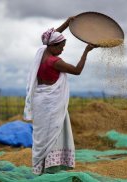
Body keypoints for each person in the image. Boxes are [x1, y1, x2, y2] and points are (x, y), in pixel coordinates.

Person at [24, 17, 95, 175]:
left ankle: (41, 167)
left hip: (40, 100)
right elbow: (77, 71)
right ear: (54, 46)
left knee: (43, 135)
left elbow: (51, 36)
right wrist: (86, 51)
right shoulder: (54, 62)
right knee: (52, 135)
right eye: (61, 47)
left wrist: (67, 23)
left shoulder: (42, 52)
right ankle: (48, 169)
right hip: (50, 103)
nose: (62, 50)